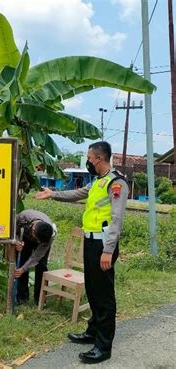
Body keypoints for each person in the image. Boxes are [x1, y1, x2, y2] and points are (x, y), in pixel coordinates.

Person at [35, 141, 128, 364]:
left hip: (103, 246)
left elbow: (116, 220)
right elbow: (77, 193)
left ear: (99, 158)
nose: (87, 161)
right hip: (90, 243)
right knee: (93, 291)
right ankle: (92, 332)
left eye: (89, 157)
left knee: (104, 296)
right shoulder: (98, 182)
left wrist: (108, 251)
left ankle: (103, 347)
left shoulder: (116, 184)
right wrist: (53, 194)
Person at [13, 209, 56, 305]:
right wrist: (17, 241)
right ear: (33, 230)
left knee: (41, 266)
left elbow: (37, 256)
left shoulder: (49, 235)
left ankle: (40, 299)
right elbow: (12, 230)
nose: (37, 243)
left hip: (41, 239)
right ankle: (22, 297)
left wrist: (24, 269)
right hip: (25, 236)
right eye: (37, 240)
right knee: (21, 262)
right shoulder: (23, 217)